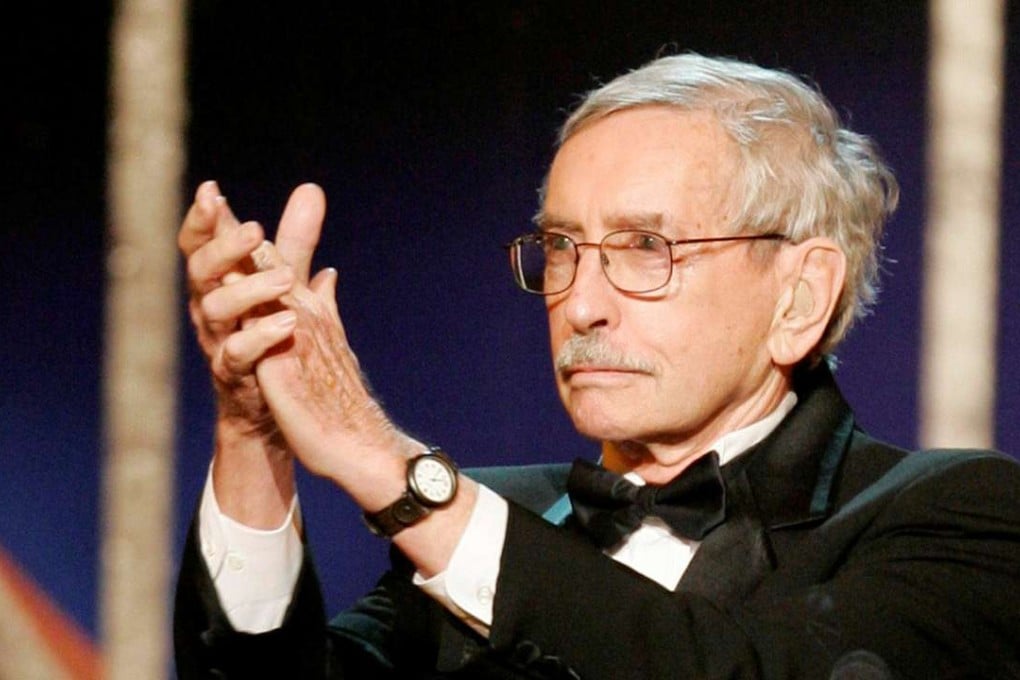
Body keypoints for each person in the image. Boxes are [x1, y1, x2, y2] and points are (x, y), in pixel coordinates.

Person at [173, 53, 1020, 678]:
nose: (580, 302)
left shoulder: (958, 515)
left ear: (797, 299)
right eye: (561, 247)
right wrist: (254, 426)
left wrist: (391, 468)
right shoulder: (497, 519)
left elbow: (735, 669)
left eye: (646, 247)